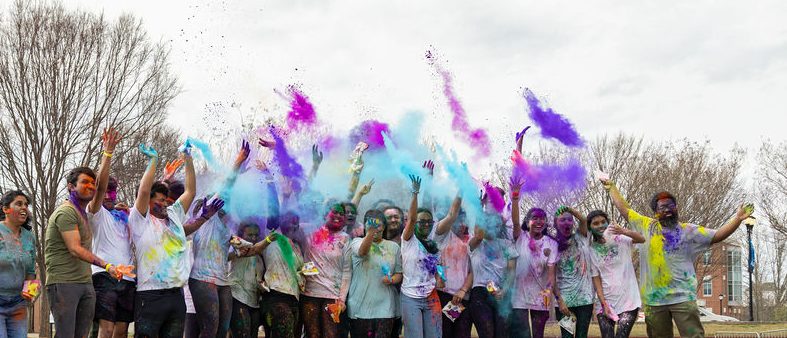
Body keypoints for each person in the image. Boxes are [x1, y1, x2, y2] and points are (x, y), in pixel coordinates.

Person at [602, 179, 753, 338]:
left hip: (683, 297)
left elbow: (717, 235)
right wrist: (611, 187)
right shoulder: (646, 226)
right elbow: (625, 209)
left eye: (670, 205)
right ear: (655, 212)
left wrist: (737, 219)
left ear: (676, 208)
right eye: (662, 207)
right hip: (654, 301)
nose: (667, 209)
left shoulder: (688, 230)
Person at [128, 143, 218, 338]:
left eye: (164, 198)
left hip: (176, 296)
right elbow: (143, 192)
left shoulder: (174, 214)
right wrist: (153, 161)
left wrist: (188, 158)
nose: (162, 202)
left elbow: (190, 192)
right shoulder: (140, 220)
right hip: (150, 295)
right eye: (157, 199)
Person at [45, 129, 127, 338]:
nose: (91, 187)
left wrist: (107, 153)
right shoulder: (66, 212)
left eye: (92, 183)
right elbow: (75, 248)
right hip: (64, 283)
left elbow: (101, 189)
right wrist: (106, 265)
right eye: (85, 182)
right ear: (71, 186)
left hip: (85, 282)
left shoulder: (86, 213)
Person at [189, 141, 250, 338]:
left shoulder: (225, 228)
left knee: (223, 329)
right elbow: (225, 188)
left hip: (222, 280)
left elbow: (227, 253)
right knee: (210, 327)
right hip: (202, 278)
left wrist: (239, 249)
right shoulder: (207, 218)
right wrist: (238, 163)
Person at [509, 177, 558, 338]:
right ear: (528, 221)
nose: (539, 221)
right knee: (522, 335)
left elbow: (551, 273)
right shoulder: (520, 237)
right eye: (535, 218)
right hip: (519, 297)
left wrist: (549, 290)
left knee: (538, 335)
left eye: (542, 218)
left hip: (540, 297)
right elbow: (515, 222)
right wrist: (515, 199)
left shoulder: (551, 243)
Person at [586, 210, 644, 338]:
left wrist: (623, 230)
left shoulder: (620, 239)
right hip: (606, 301)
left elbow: (641, 239)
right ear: (590, 227)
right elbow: (596, 279)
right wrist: (603, 303)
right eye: (595, 223)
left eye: (603, 222)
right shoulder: (591, 250)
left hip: (629, 300)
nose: (600, 225)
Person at [347, 209, 403, 338]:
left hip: (386, 306)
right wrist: (370, 233)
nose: (375, 228)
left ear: (384, 226)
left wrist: (392, 280)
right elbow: (362, 252)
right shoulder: (356, 242)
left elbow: (399, 273)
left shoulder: (393, 247)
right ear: (365, 225)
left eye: (378, 225)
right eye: (370, 224)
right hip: (360, 308)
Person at [300, 203, 353, 338]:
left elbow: (347, 271)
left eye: (342, 214)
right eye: (334, 212)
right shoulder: (311, 234)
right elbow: (306, 262)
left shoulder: (346, 238)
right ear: (325, 214)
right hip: (310, 293)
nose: (338, 216)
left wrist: (341, 298)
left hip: (333, 297)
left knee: (331, 335)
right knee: (312, 334)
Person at [400, 175, 443, 338]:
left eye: (429, 222)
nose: (426, 224)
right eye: (422, 221)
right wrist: (415, 193)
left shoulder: (432, 243)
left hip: (431, 296)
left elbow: (437, 266)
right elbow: (411, 219)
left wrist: (440, 277)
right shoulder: (408, 239)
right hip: (410, 297)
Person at [431, 199, 472, 338]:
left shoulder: (470, 241)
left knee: (462, 334)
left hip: (463, 298)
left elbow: (473, 271)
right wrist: (460, 190)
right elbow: (451, 214)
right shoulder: (442, 235)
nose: (461, 224)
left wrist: (463, 290)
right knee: (444, 334)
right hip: (443, 294)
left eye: (464, 220)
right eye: (458, 220)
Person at [551, 206, 594, 338]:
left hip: (585, 299)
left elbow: (584, 220)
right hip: (564, 300)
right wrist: (559, 301)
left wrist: (571, 210)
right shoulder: (552, 244)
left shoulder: (581, 237)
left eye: (570, 220)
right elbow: (551, 278)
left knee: (582, 336)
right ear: (555, 224)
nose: (567, 223)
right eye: (562, 220)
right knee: (567, 337)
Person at [0, 190, 36, 338]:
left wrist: (30, 292)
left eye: (26, 205)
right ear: (5, 209)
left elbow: (31, 270)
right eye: (18, 204)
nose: (24, 208)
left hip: (18, 304)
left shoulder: (29, 237)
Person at [228, 222, 264, 338]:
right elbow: (226, 256)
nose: (253, 238)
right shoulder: (236, 248)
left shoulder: (259, 257)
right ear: (241, 235)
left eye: (256, 235)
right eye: (250, 235)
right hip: (237, 297)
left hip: (254, 302)